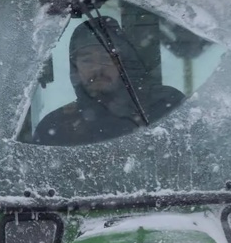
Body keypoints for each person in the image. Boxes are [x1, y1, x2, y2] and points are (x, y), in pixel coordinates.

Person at [32, 16, 185, 146]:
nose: (97, 69)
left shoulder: (164, 104)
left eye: (106, 58)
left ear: (123, 63)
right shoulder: (57, 126)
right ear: (75, 67)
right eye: (87, 60)